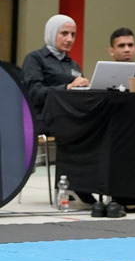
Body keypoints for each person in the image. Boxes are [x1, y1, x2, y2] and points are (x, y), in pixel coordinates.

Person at [21, 14, 96, 206]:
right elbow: (34, 92)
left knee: (94, 128)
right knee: (77, 130)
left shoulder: (73, 65)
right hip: (41, 118)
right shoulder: (35, 59)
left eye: (73, 34)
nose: (69, 39)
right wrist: (67, 88)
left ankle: (81, 182)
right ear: (51, 33)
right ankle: (74, 185)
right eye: (64, 33)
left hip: (67, 117)